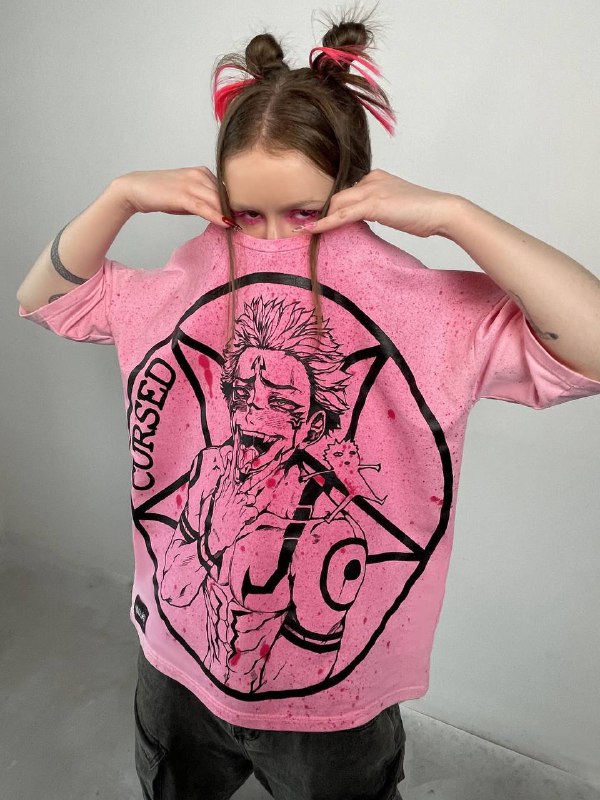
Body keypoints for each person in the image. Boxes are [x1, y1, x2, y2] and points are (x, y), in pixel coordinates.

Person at [16, 5, 600, 800]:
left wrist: (456, 216)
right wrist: (120, 197)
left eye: (304, 211)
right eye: (246, 211)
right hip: (174, 672)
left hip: (333, 714)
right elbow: (43, 299)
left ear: (353, 189)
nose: (273, 238)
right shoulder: (187, 279)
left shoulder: (422, 310)